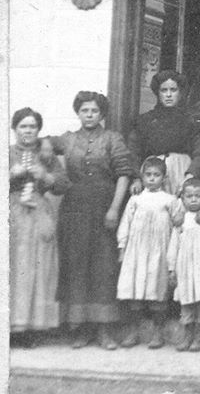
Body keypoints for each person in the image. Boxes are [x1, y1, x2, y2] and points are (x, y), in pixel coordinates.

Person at [54, 91, 135, 350]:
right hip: (74, 209)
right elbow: (40, 144)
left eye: (95, 111)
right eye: (85, 110)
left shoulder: (113, 139)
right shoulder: (67, 139)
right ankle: (82, 330)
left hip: (103, 208)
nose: (89, 115)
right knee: (77, 266)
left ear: (102, 114)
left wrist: (114, 209)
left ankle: (104, 331)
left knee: (104, 267)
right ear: (78, 113)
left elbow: (123, 174)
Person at [9, 108, 69, 346]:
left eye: (32, 126)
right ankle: (10, 326)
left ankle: (30, 328)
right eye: (23, 126)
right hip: (12, 212)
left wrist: (44, 175)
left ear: (39, 130)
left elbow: (63, 184)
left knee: (37, 267)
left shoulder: (47, 154)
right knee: (13, 266)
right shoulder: (7, 152)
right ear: (15, 129)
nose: (28, 131)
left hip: (39, 213)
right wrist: (10, 174)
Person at [116, 157, 182, 349]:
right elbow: (125, 225)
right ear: (142, 176)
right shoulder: (135, 200)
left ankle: (157, 333)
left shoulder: (170, 200)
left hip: (159, 252)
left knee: (157, 291)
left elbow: (179, 225)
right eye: (148, 175)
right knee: (135, 292)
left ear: (164, 177)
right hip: (136, 252)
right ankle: (133, 332)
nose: (152, 179)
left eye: (156, 175)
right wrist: (122, 248)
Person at [127, 70, 200, 196]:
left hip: (184, 173)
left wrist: (190, 175)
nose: (168, 95)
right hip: (153, 175)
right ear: (157, 92)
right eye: (164, 90)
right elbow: (133, 152)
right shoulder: (145, 120)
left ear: (180, 92)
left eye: (173, 90)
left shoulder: (192, 120)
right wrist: (137, 177)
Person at [167, 177, 200, 352]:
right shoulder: (181, 220)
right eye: (189, 196)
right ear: (183, 199)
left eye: (198, 196)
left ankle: (199, 336)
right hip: (186, 268)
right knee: (187, 301)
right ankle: (187, 335)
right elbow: (174, 245)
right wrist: (172, 268)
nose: (194, 199)